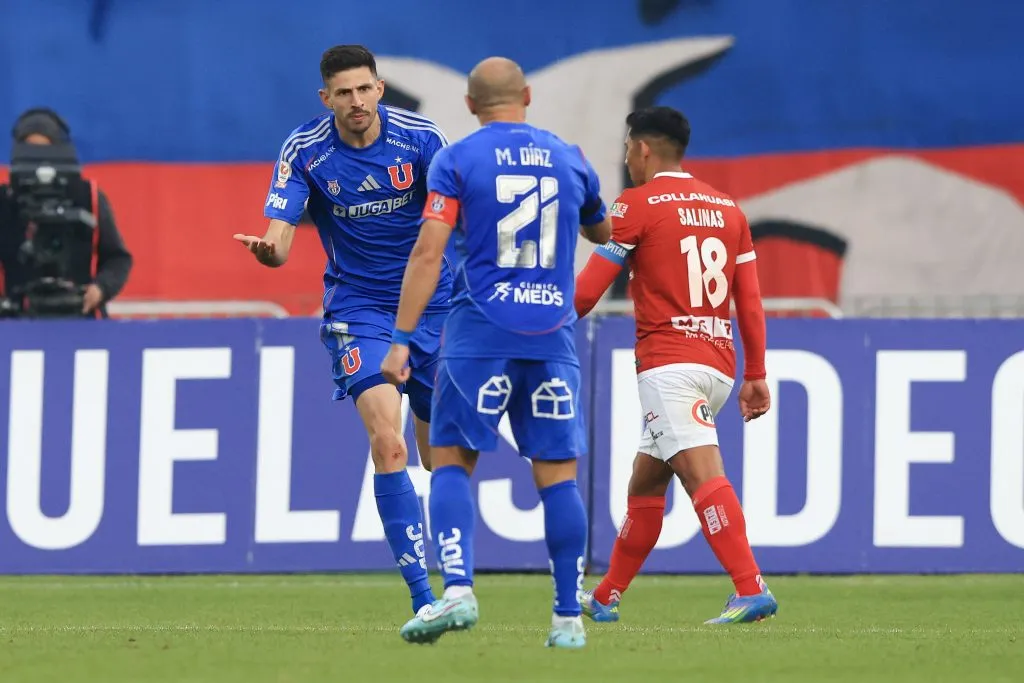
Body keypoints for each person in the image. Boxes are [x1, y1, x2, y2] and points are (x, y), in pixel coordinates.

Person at [380, 56, 612, 649]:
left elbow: (429, 253)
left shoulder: (456, 160)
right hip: (552, 337)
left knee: (452, 460)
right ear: (528, 96)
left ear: (468, 105)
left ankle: (457, 589)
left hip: (480, 333)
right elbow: (601, 231)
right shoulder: (570, 157)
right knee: (558, 477)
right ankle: (567, 618)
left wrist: (402, 339)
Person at [233, 45, 455, 617]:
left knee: (439, 459)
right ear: (325, 97)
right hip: (359, 310)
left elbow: (461, 215)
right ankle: (424, 600)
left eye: (365, 89)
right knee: (389, 441)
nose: (356, 101)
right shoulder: (305, 150)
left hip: (434, 307)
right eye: (344, 92)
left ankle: (459, 581)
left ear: (380, 89)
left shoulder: (422, 139)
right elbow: (280, 236)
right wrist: (269, 254)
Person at [573, 106, 778, 625]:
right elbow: (749, 302)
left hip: (669, 365)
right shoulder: (728, 208)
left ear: (642, 149)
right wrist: (756, 374)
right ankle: (607, 596)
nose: (627, 159)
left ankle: (750, 587)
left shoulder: (636, 204)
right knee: (646, 483)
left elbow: (585, 294)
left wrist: (528, 314)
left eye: (627, 149)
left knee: (701, 475)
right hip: (719, 367)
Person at [0, 108, 133, 318]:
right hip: (17, 323)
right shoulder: (5, 203)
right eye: (30, 151)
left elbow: (117, 259)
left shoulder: (89, 199)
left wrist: (100, 289)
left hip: (80, 319)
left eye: (45, 150)